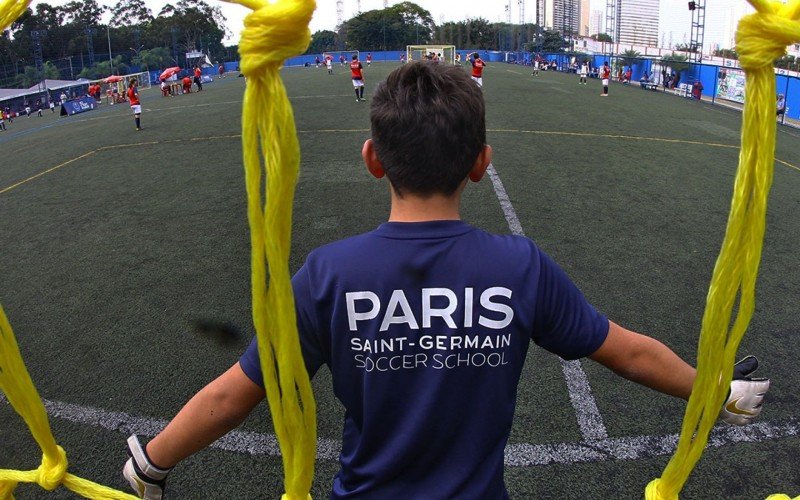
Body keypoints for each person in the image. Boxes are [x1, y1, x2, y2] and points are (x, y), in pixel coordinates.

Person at [120, 62, 770, 500]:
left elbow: (237, 392)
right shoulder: (518, 267)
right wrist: (718, 392)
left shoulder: (328, 275)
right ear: (482, 164)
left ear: (373, 160)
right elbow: (628, 352)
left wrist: (154, 462)